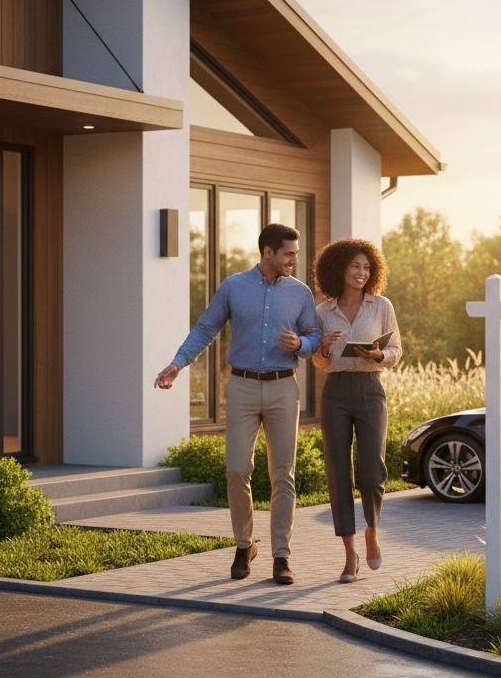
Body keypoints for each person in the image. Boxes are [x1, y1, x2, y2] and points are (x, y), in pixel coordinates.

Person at [155, 223, 321, 584]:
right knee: (236, 470)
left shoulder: (300, 292)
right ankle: (245, 545)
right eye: (289, 253)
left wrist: (302, 346)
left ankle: (281, 556)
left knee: (283, 475)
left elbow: (315, 334)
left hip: (282, 387)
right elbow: (205, 329)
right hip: (242, 387)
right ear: (268, 253)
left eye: (295, 252)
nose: (295, 258)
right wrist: (178, 363)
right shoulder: (233, 286)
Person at [311, 238, 401, 583]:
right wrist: (323, 347)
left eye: (366, 267)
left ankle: (372, 529)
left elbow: (395, 349)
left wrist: (378, 355)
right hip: (335, 392)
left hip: (369, 389)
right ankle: (349, 555)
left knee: (372, 469)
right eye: (354, 266)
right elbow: (318, 360)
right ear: (339, 270)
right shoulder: (323, 311)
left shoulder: (381, 306)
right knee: (338, 471)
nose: (361, 272)